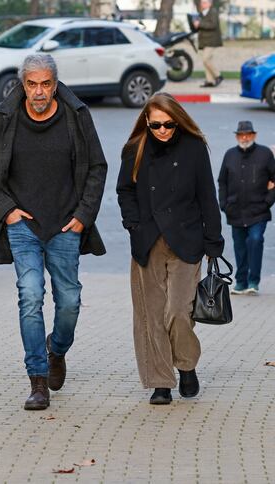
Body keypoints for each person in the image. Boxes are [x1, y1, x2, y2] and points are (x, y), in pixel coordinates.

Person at [0, 54, 107, 411]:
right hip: (23, 227)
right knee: (30, 296)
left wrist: (83, 215)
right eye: (32, 84)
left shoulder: (76, 116)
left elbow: (97, 166)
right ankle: (38, 380)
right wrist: (7, 212)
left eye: (46, 83)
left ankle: (56, 349)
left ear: (55, 84)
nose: (39, 92)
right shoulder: (3, 116)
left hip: (65, 225)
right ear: (22, 84)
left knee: (70, 302)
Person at [116, 92, 224, 405]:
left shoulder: (194, 148)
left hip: (186, 240)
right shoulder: (135, 149)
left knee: (178, 311)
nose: (162, 130)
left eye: (168, 124)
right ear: (146, 123)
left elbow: (207, 195)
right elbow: (125, 190)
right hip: (148, 240)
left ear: (178, 120)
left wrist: (213, 241)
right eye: (156, 125)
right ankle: (160, 382)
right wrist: (133, 224)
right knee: (150, 316)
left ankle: (186, 364)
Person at [218, 121, 275, 295]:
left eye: (248, 134)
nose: (244, 138)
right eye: (241, 135)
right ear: (236, 136)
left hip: (259, 211)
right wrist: (224, 204)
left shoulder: (265, 154)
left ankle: (253, 281)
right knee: (240, 246)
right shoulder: (230, 155)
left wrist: (267, 202)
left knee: (255, 240)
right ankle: (241, 282)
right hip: (235, 211)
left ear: (254, 135)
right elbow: (222, 181)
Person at [193, 0, 223, 88]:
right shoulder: (202, 13)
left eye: (205, 2)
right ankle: (210, 81)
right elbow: (201, 26)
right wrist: (195, 24)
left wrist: (200, 23)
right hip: (204, 41)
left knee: (206, 59)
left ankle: (218, 76)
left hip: (212, 40)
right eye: (202, 2)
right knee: (207, 60)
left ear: (210, 4)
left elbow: (213, 25)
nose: (202, 4)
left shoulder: (213, 12)